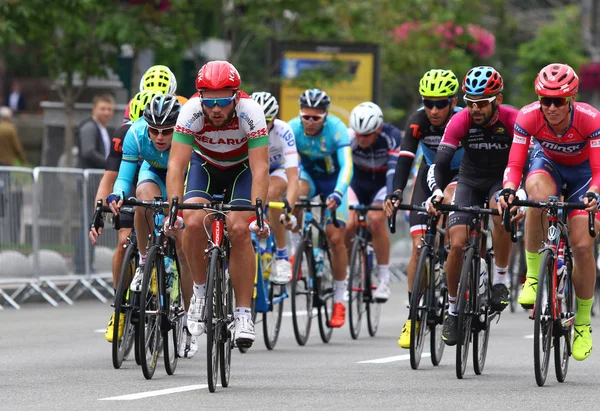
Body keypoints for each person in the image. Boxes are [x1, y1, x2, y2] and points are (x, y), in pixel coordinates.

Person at [498, 63, 600, 361]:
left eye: (559, 101)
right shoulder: (528, 116)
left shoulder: (590, 119)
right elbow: (516, 165)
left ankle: (581, 323)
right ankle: (532, 276)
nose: (552, 107)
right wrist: (508, 188)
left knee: (582, 246)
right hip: (549, 166)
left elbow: (598, 169)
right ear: (539, 100)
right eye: (546, 100)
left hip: (585, 176)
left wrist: (595, 193)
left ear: (572, 100)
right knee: (537, 198)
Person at [167, 60, 270, 350]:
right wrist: (175, 210)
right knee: (191, 218)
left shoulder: (251, 112)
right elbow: (176, 165)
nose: (215, 109)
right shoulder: (190, 112)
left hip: (242, 170)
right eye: (209, 102)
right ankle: (199, 294)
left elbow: (261, 169)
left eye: (223, 102)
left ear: (236, 97)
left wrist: (258, 214)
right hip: (206, 166)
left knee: (239, 228)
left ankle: (243, 313)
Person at [427, 66, 518, 346]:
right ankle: (453, 311)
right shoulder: (461, 121)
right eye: (470, 103)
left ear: (497, 101)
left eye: (482, 104)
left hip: (500, 179)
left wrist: (515, 191)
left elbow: (523, 160)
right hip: (468, 179)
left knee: (501, 210)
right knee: (456, 244)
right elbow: (440, 164)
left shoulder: (514, 119)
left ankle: (500, 279)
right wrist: (437, 192)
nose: (475, 109)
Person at [383, 69, 463, 349]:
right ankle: (413, 315)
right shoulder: (418, 120)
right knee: (419, 245)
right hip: (429, 175)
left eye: (440, 103)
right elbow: (405, 159)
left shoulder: (463, 120)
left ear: (453, 102)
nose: (433, 110)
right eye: (428, 102)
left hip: (460, 176)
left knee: (456, 237)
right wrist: (395, 192)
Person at [88, 89, 162, 342]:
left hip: (159, 182)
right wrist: (98, 212)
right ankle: (119, 308)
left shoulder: (171, 137)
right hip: (130, 183)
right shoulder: (125, 135)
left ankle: (165, 281)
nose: (152, 132)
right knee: (122, 242)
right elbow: (109, 180)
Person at [289, 88, 353, 328]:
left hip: (334, 182)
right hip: (310, 178)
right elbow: (290, 166)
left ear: (325, 116)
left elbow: (347, 165)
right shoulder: (293, 128)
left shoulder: (337, 129)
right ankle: (298, 247)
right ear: (300, 114)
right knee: (295, 194)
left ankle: (339, 300)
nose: (311, 122)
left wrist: (339, 192)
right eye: (306, 116)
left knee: (335, 237)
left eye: (316, 117)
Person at [344, 101, 401, 302]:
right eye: (359, 134)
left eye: (367, 135)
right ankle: (350, 273)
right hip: (357, 182)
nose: (362, 138)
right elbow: (344, 167)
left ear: (377, 130)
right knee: (348, 223)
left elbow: (394, 171)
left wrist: (390, 198)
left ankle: (384, 279)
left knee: (376, 220)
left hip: (382, 184)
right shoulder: (349, 137)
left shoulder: (391, 136)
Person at [251, 91, 300, 285]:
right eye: (258, 121)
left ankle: (281, 255)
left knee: (271, 193)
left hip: (278, 170)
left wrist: (289, 205)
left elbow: (293, 175)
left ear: (275, 118)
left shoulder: (283, 131)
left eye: (268, 120)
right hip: (255, 170)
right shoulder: (243, 130)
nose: (263, 126)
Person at [78, 93, 115, 169]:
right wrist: (110, 164)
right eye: (103, 109)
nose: (106, 112)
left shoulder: (104, 129)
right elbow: (88, 153)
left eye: (109, 109)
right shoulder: (89, 127)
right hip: (89, 177)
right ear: (94, 109)